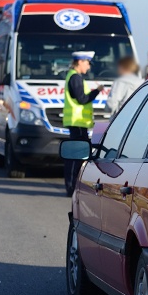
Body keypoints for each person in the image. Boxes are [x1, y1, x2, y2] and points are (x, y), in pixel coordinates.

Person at [62, 51, 100, 196]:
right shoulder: (75, 78)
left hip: (79, 123)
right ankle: (72, 187)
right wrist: (97, 91)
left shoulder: (75, 77)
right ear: (80, 62)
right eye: (87, 63)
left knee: (80, 155)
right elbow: (82, 99)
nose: (89, 67)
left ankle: (75, 186)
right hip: (77, 122)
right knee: (76, 157)